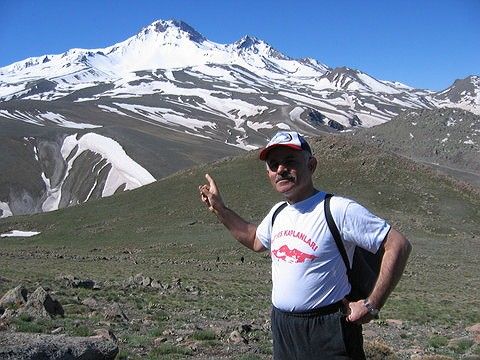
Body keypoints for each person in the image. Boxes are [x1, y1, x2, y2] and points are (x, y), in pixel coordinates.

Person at [199, 131, 412, 359]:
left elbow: (398, 245)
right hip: (284, 328)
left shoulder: (338, 209)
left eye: (290, 162)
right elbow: (254, 239)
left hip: (329, 328)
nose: (280, 169)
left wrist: (372, 304)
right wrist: (220, 209)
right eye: (273, 165)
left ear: (311, 165)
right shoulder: (278, 213)